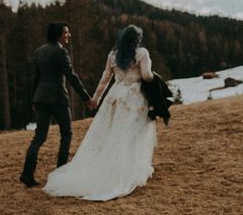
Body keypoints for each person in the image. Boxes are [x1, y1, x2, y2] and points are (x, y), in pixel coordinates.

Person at [43, 25, 157, 201]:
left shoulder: (113, 55)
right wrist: (154, 76)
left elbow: (105, 79)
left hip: (116, 96)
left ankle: (112, 166)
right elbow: (147, 76)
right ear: (137, 39)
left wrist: (95, 99)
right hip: (134, 96)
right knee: (133, 133)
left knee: (114, 133)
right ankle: (130, 168)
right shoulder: (142, 53)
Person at [20, 22, 96, 187]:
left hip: (40, 98)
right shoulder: (61, 51)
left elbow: (35, 78)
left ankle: (27, 173)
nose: (69, 35)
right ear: (58, 35)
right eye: (66, 32)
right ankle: (61, 173)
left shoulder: (39, 51)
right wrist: (86, 98)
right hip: (58, 99)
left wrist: (34, 99)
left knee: (39, 136)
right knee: (66, 134)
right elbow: (71, 76)